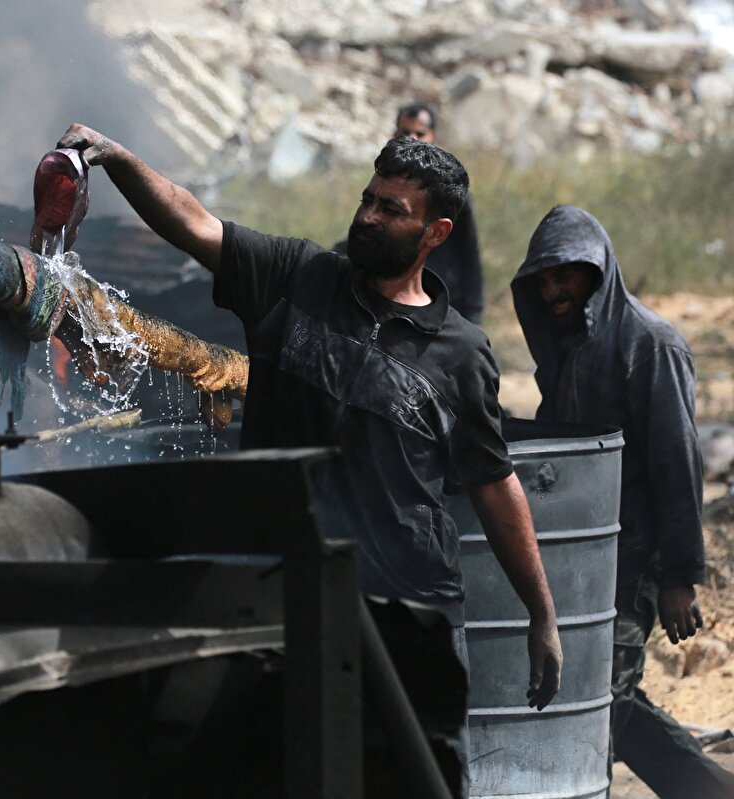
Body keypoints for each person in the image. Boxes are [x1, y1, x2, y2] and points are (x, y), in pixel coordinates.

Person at [58, 124, 563, 797]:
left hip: (407, 610)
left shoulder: (461, 354)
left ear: (435, 232)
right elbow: (194, 223)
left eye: (391, 209)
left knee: (413, 778)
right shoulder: (295, 277)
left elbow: (495, 486)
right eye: (367, 199)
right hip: (282, 600)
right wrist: (119, 158)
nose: (368, 216)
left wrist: (542, 614)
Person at [512, 205, 734, 799]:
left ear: (597, 272)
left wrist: (680, 577)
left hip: (635, 561)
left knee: (598, 705)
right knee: (609, 698)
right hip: (581, 559)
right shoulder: (568, 349)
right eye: (544, 280)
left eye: (565, 275)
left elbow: (677, 465)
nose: (553, 291)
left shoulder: (650, 345)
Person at [366, 102, 485, 324]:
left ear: (432, 136)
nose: (412, 139)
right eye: (405, 133)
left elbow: (469, 255)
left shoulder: (449, 193)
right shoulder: (382, 186)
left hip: (441, 303)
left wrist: (473, 315)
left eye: (420, 133)